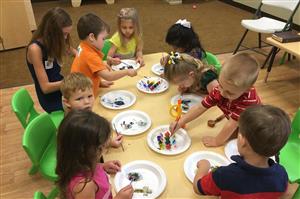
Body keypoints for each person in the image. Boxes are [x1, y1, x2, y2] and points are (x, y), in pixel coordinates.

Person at [193, 104, 291, 198]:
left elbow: (198, 188)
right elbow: (283, 194)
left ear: (241, 139)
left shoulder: (225, 175)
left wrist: (204, 166)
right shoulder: (281, 174)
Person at [169, 53, 261, 147]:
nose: (222, 93)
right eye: (220, 85)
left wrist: (217, 141)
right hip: (236, 122)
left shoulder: (248, 101)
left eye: (230, 93)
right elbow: (200, 107)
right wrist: (181, 122)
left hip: (252, 129)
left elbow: (231, 125)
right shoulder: (221, 90)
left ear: (247, 89)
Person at [56, 109, 133, 199]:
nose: (104, 148)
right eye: (101, 147)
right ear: (85, 152)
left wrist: (102, 166)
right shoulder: (84, 187)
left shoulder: (79, 163)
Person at [71, 13, 137, 97]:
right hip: (83, 98)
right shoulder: (90, 55)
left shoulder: (83, 46)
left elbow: (87, 69)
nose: (105, 42)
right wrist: (127, 72)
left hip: (78, 89)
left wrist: (99, 82)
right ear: (91, 37)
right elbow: (108, 76)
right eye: (103, 38)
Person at [26, 7, 76, 113]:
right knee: (83, 103)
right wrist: (71, 82)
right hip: (50, 98)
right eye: (63, 34)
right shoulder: (35, 49)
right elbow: (45, 87)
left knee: (87, 96)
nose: (66, 38)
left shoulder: (56, 40)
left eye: (67, 34)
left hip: (61, 87)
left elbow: (75, 52)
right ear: (51, 33)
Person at [60, 72, 123, 149]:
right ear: (67, 102)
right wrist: (109, 143)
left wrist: (109, 142)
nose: (87, 102)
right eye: (79, 99)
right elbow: (87, 149)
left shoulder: (80, 114)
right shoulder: (76, 126)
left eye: (90, 96)